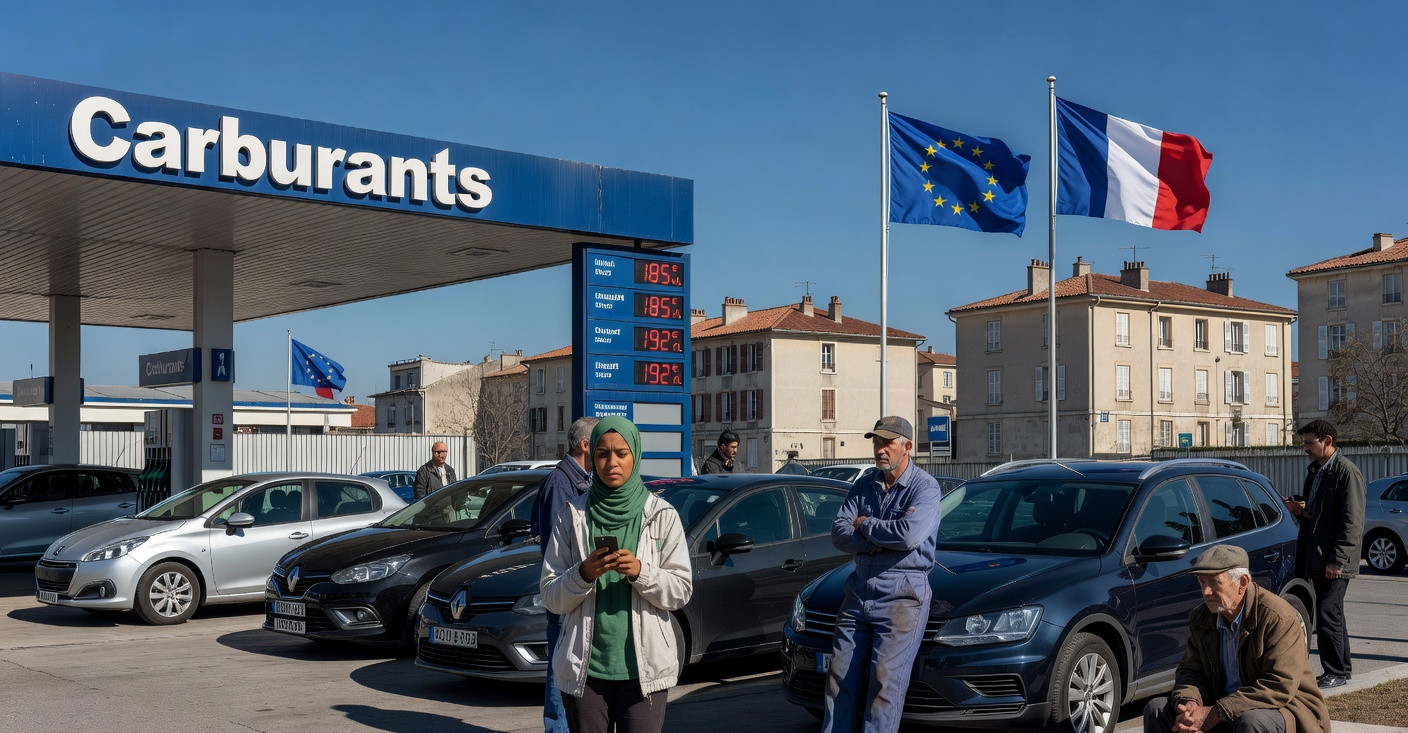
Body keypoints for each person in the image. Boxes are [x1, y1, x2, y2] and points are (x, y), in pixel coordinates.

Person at [540, 416, 693, 733]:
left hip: (644, 673)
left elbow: (680, 591)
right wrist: (583, 574)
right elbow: (551, 596)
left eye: (621, 454)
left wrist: (641, 572)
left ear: (635, 456)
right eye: (602, 454)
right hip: (585, 672)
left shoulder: (662, 515)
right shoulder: (572, 515)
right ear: (592, 457)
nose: (612, 463)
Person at [823, 416, 943, 733]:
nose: (880, 450)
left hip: (902, 595)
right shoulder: (865, 484)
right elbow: (838, 533)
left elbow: (908, 535)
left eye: (887, 443)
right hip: (858, 592)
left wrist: (866, 525)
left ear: (907, 446)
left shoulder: (925, 487)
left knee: (884, 685)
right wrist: (879, 542)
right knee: (838, 679)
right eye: (877, 442)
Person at [1143, 544, 1329, 733]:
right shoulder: (1201, 618)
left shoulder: (1278, 617)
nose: (1206, 592)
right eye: (1202, 582)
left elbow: (1279, 685)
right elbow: (1190, 670)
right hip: (1223, 705)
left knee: (1251, 721)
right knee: (1157, 709)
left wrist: (1216, 712)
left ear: (1242, 582)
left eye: (1214, 582)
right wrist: (1189, 702)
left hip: (1284, 708)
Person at [1285, 419, 1365, 689]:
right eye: (1304, 443)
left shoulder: (1346, 473)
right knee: (1332, 612)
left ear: (1327, 441)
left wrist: (1338, 560)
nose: (1305, 448)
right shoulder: (1317, 471)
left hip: (1334, 560)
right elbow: (1319, 511)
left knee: (1328, 612)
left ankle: (1335, 671)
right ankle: (1342, 669)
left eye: (1310, 443)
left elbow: (1352, 521)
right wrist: (1301, 508)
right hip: (1318, 556)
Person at [533, 415, 599, 733]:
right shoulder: (560, 483)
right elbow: (560, 545)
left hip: (577, 589)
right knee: (560, 673)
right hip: (566, 592)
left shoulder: (579, 480)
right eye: (599, 443)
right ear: (585, 445)